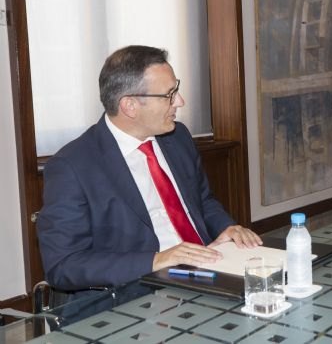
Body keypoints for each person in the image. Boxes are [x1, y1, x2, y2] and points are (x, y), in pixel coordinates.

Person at [38, 45, 262, 291]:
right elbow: (64, 266)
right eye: (169, 95)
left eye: (176, 89)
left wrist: (226, 228)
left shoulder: (177, 137)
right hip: (140, 290)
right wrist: (157, 260)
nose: (180, 101)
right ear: (130, 106)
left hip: (210, 268)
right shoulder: (73, 167)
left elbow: (202, 200)